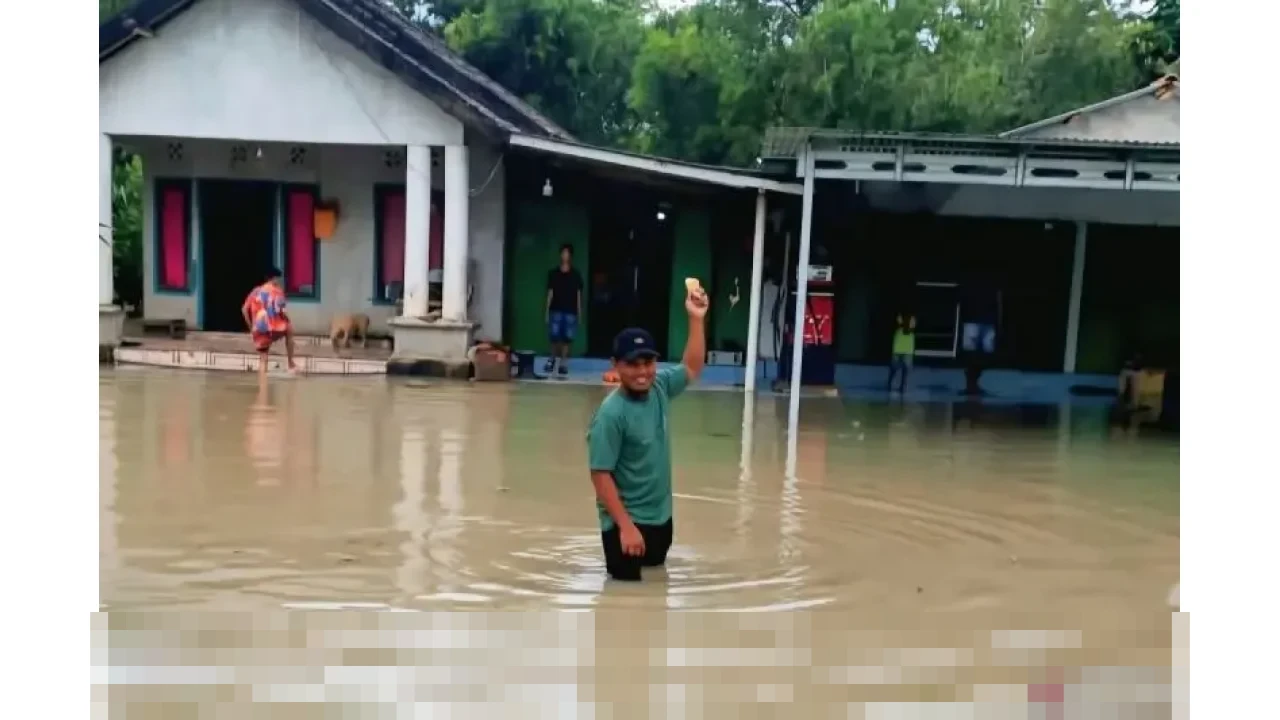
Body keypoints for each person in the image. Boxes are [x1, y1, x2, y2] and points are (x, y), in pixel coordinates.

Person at [585, 282, 708, 581]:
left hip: (660, 520)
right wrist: (626, 528)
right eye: (633, 364)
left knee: (656, 599)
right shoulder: (610, 415)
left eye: (648, 362)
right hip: (624, 527)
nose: (643, 372)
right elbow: (600, 476)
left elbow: (691, 367)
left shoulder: (660, 386)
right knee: (623, 608)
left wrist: (696, 318)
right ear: (615, 366)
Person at [241, 267, 298, 377]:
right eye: (278, 279)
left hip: (259, 329)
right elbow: (282, 311)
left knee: (263, 360)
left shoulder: (255, 291)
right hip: (275, 328)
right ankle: (291, 363)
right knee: (289, 328)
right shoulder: (277, 291)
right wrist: (289, 325)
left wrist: (251, 327)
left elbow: (244, 310)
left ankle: (263, 389)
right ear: (274, 278)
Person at [545, 244, 584, 376]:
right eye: (563, 253)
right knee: (554, 337)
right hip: (555, 309)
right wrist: (546, 311)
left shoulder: (576, 275)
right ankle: (551, 360)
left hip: (570, 310)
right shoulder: (553, 273)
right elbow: (550, 293)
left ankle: (563, 363)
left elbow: (578, 295)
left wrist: (579, 313)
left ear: (570, 256)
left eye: (567, 253)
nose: (565, 255)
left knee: (567, 338)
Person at [887, 312, 916, 393]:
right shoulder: (898, 327)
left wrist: (910, 322)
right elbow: (900, 325)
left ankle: (902, 387)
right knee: (894, 369)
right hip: (897, 350)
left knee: (906, 370)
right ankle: (890, 384)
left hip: (907, 351)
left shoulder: (910, 327)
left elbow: (911, 326)